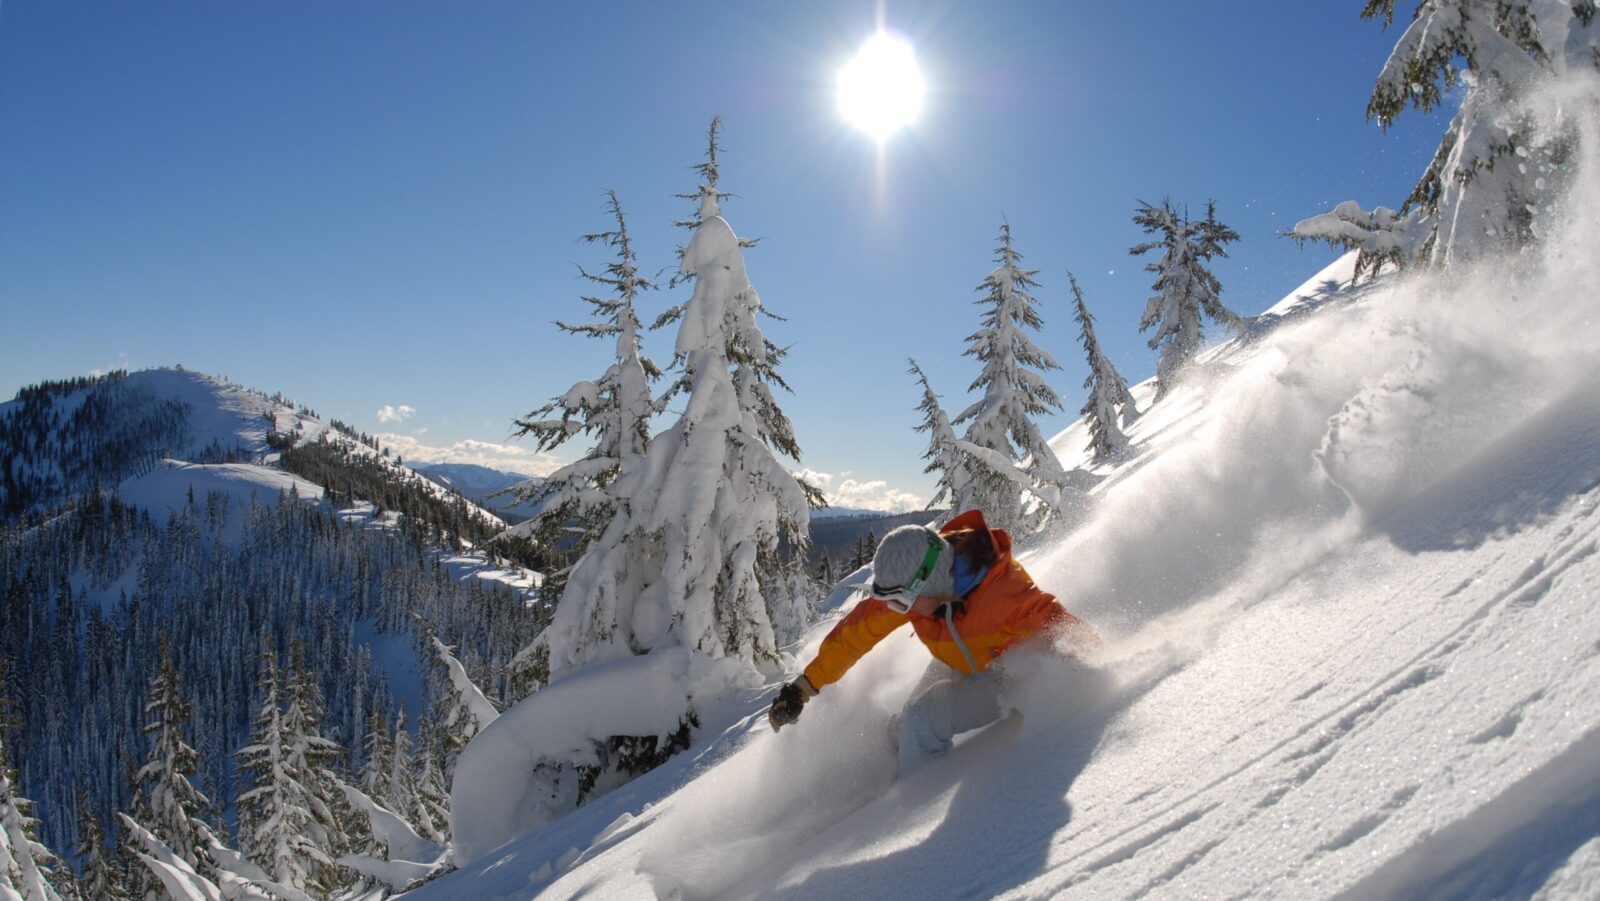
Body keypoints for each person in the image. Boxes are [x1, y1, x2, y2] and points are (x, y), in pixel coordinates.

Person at [769, 509, 1097, 772]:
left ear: (932, 582)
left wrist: (1093, 671)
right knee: (906, 724)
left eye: (900, 602)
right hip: (960, 657)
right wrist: (804, 686)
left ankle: (911, 808)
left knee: (922, 721)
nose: (896, 610)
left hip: (1006, 678)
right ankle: (886, 772)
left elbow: (1061, 626)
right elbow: (855, 634)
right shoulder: (918, 592)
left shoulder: (1003, 596)